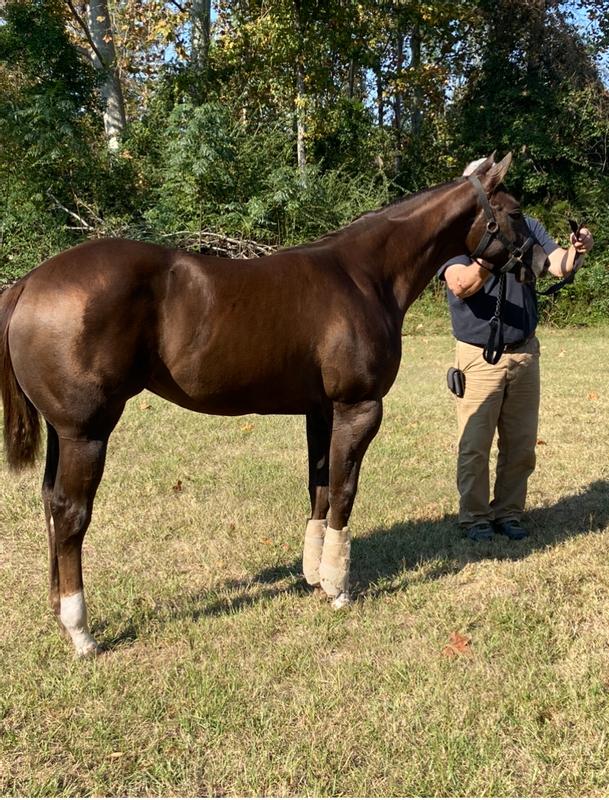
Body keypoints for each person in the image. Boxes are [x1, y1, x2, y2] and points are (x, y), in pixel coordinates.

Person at [438, 159, 594, 541]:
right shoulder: (455, 235)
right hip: (480, 355)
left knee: (521, 444)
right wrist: (496, 252)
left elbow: (556, 265)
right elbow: (460, 284)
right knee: (475, 444)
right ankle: (474, 518)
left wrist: (578, 250)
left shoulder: (523, 224)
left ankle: (508, 512)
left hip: (524, 351)